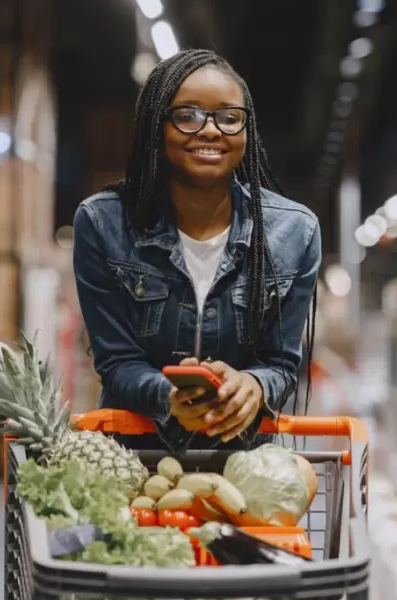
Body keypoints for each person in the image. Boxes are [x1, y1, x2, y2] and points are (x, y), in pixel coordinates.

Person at [72, 49, 321, 454]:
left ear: (246, 128)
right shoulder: (104, 224)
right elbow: (117, 363)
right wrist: (169, 398)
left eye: (228, 116)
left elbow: (281, 364)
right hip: (134, 463)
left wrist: (254, 386)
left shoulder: (294, 232)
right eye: (187, 115)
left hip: (247, 469)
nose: (210, 130)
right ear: (157, 125)